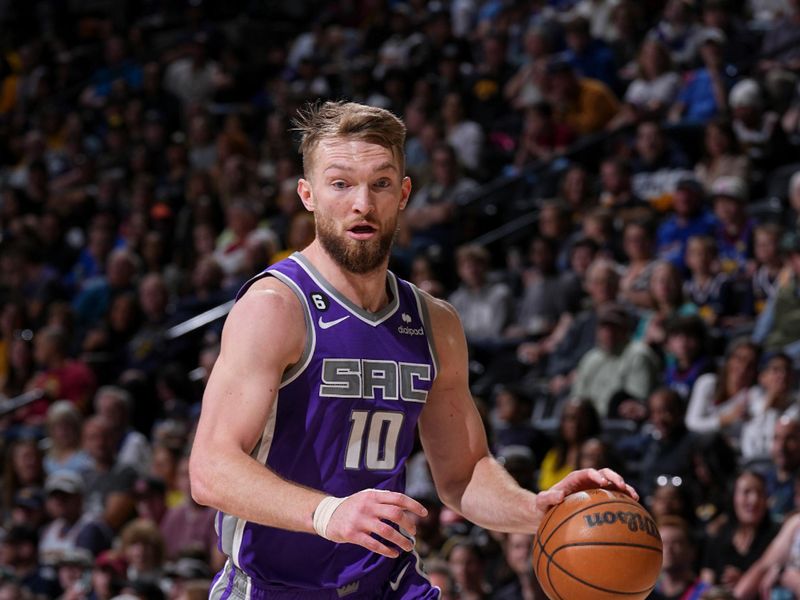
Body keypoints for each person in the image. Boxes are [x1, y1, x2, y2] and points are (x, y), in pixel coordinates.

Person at [188, 101, 635, 599]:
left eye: (380, 183)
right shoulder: (276, 306)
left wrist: (534, 509)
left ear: (403, 194)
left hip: (389, 583)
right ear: (308, 195)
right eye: (340, 184)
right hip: (277, 586)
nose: (362, 203)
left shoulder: (434, 322)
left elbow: (464, 473)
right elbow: (210, 469)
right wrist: (328, 512)